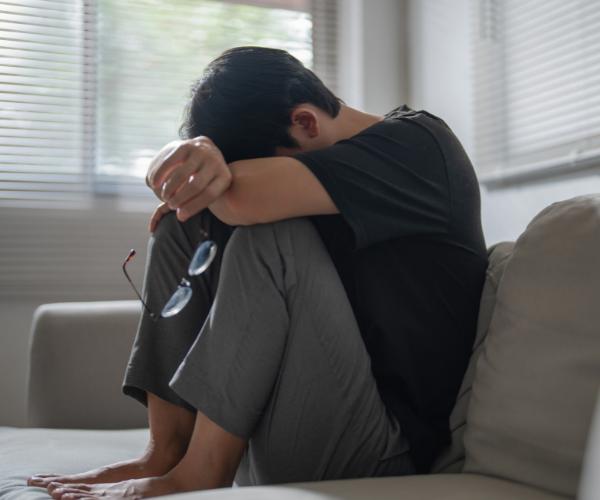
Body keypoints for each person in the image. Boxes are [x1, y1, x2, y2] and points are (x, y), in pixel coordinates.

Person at [28, 46, 487, 499]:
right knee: (179, 227)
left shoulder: (420, 148)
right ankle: (165, 454)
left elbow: (245, 200)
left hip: (384, 453)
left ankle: (200, 474)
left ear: (305, 122)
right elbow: (190, 193)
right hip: (286, 427)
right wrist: (182, 155)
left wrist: (207, 171)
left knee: (270, 239)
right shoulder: (322, 167)